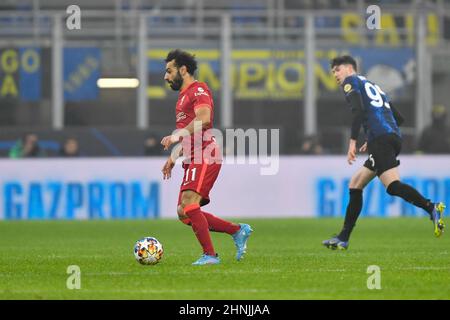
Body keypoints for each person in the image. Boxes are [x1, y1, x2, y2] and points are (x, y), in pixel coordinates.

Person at [322, 55, 446, 250]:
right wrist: (373, 137)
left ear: (348, 68)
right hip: (391, 138)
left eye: (337, 70)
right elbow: (398, 117)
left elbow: (358, 112)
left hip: (381, 140)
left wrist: (353, 141)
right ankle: (343, 237)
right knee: (356, 184)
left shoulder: (350, 82)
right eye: (333, 72)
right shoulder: (373, 86)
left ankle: (431, 207)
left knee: (393, 186)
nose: (336, 75)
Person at [160, 49, 253, 265]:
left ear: (183, 70)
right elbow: (190, 135)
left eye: (169, 71)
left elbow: (205, 119)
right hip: (193, 155)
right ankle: (237, 230)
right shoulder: (182, 98)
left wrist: (176, 136)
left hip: (205, 154)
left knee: (190, 204)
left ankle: (210, 255)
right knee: (184, 213)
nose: (165, 76)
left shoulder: (198, 89)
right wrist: (174, 158)